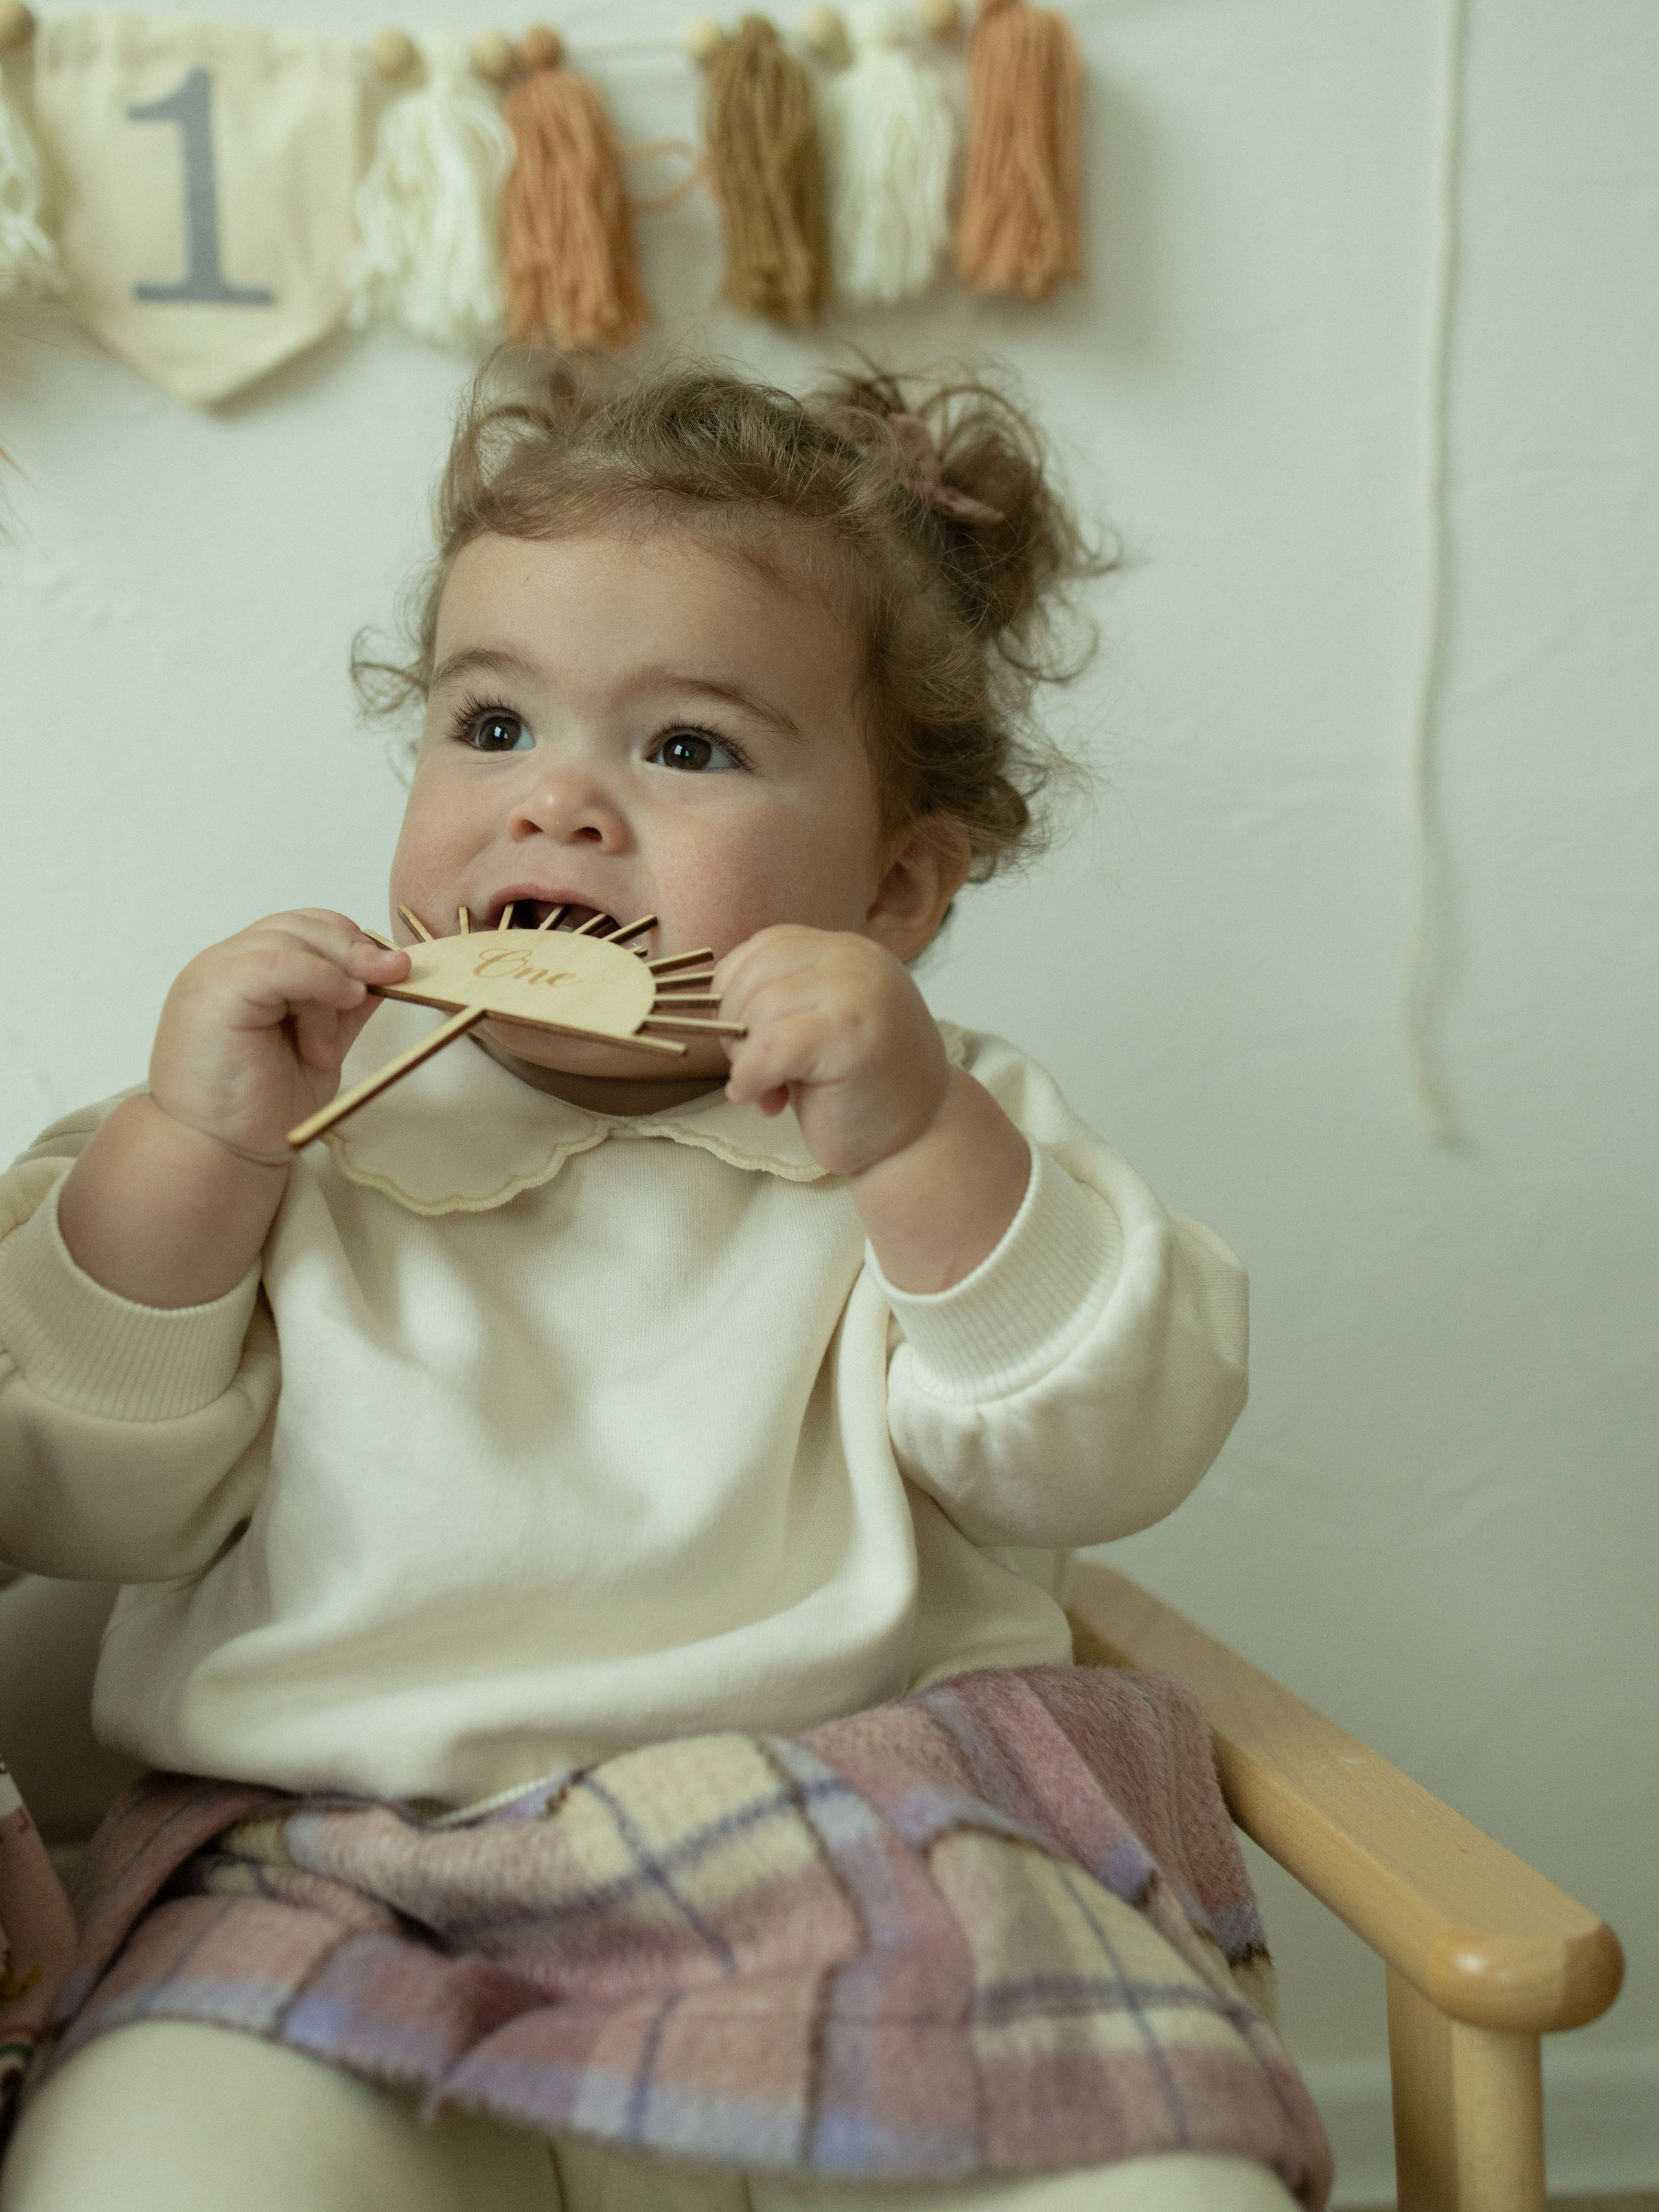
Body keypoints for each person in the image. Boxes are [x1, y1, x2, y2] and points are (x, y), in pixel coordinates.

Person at [0, 361, 1303, 2212]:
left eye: (684, 748)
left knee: (1165, 2191)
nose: (560, 808)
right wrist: (190, 1154)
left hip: (866, 1842)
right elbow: (65, 1490)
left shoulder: (930, 1129)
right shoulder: (295, 1124)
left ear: (897, 891)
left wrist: (920, 1142)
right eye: (492, 723)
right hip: (337, 1868)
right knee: (156, 2180)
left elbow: (1098, 1456)